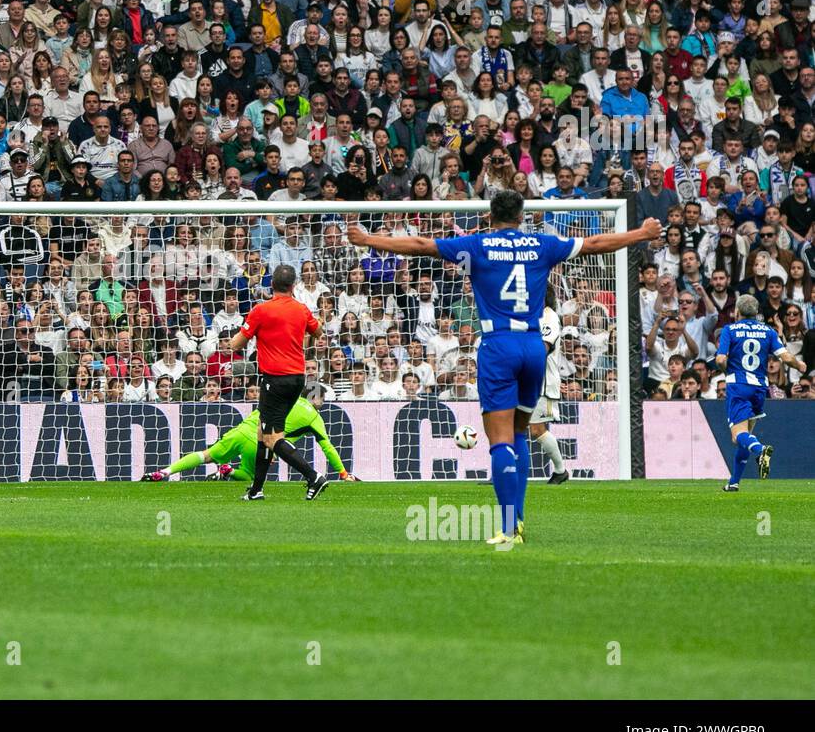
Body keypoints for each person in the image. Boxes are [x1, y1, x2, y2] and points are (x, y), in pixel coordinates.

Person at [348, 190, 662, 546]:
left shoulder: (478, 244)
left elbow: (421, 244)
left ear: (490, 214)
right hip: (533, 347)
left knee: (499, 441)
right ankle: (520, 520)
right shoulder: (543, 244)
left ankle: (509, 528)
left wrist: (367, 239)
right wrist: (641, 233)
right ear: (522, 215)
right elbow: (595, 243)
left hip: (498, 346)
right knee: (519, 433)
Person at [227, 263, 330, 500]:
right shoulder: (301, 309)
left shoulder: (261, 311)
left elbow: (237, 344)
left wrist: (244, 332)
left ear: (271, 284)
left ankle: (313, 476)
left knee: (273, 437)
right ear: (293, 286)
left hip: (275, 379)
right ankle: (256, 489)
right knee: (263, 433)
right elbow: (318, 332)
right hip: (297, 379)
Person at [141, 396, 352, 482]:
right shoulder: (315, 418)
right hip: (259, 442)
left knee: (205, 455)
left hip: (241, 430)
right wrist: (343, 473)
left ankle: (164, 472)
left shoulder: (287, 397)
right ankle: (229, 471)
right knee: (252, 477)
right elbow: (328, 448)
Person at [716, 293, 807, 491]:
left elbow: (721, 360)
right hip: (759, 388)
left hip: (738, 386)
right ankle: (734, 483)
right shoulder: (768, 331)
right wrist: (799, 365)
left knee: (738, 435)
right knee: (744, 436)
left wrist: (726, 370)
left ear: (737, 312)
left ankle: (761, 450)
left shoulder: (729, 330)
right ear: (757, 312)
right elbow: (785, 357)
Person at [532, 290, 569, 485]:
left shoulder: (549, 316)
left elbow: (543, 347)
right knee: (510, 425)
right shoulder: (530, 315)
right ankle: (502, 473)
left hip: (542, 383)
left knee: (537, 429)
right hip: (526, 380)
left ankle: (561, 470)